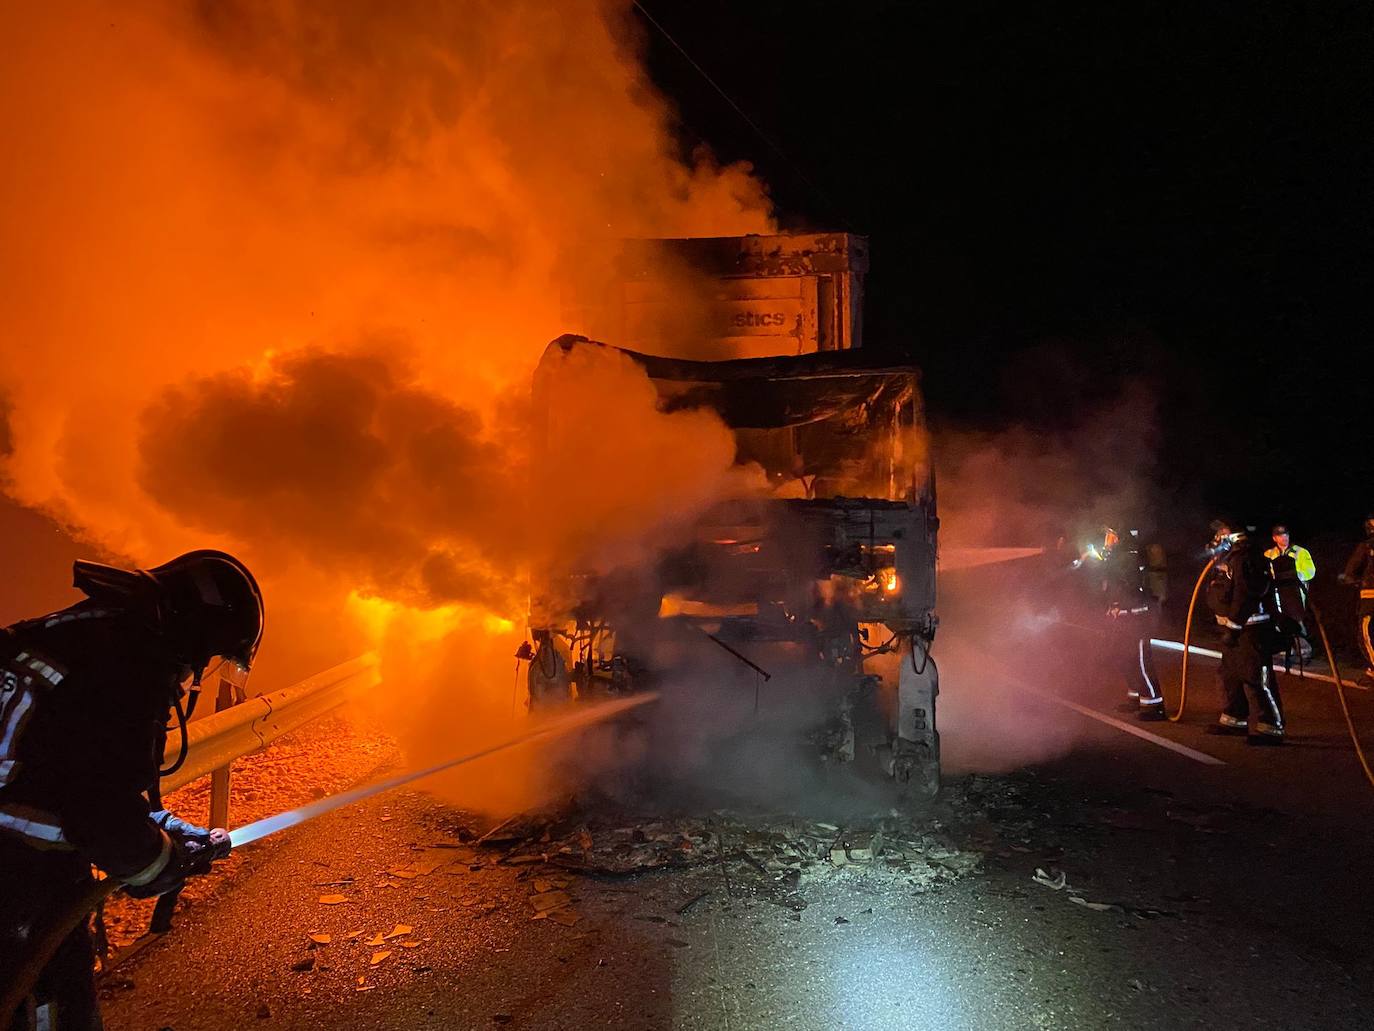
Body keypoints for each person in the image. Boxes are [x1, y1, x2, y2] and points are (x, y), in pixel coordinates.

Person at [1, 551, 263, 1030]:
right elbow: (99, 813)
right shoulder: (129, 667)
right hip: (20, 883)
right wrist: (160, 865)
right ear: (196, 631)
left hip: (19, 864)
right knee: (51, 1008)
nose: (192, 673)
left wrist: (168, 832)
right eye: (205, 655)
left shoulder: (66, 636)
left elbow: (65, 776)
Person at [1205, 526, 1284, 742]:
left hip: (1250, 629)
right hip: (1235, 629)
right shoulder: (1231, 557)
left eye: (1223, 531)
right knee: (1230, 675)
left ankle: (1271, 726)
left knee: (1256, 676)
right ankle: (1234, 719)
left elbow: (1246, 594)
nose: (1218, 536)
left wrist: (1233, 626)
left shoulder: (1247, 558)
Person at [1092, 526, 1165, 719]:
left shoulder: (1128, 557)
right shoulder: (1117, 556)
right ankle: (1136, 695)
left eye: (1110, 535)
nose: (1107, 539)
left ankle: (1153, 704)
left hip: (1137, 617)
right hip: (1123, 616)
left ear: (1118, 537)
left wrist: (1117, 603)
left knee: (1140, 660)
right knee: (1123, 657)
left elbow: (1128, 585)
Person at [1264, 523, 1316, 662]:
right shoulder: (1269, 554)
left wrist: (1294, 575)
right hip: (1276, 592)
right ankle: (1286, 648)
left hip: (1295, 592)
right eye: (1280, 536)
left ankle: (1304, 650)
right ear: (1274, 538)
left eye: (1286, 534)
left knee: (1297, 619)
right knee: (1278, 620)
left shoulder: (1300, 552)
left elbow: (1310, 572)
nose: (1284, 538)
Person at [1337, 514, 1374, 677]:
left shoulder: (1366, 546)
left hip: (1370, 599)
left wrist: (1352, 580)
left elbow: (1349, 573)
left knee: (1366, 633)